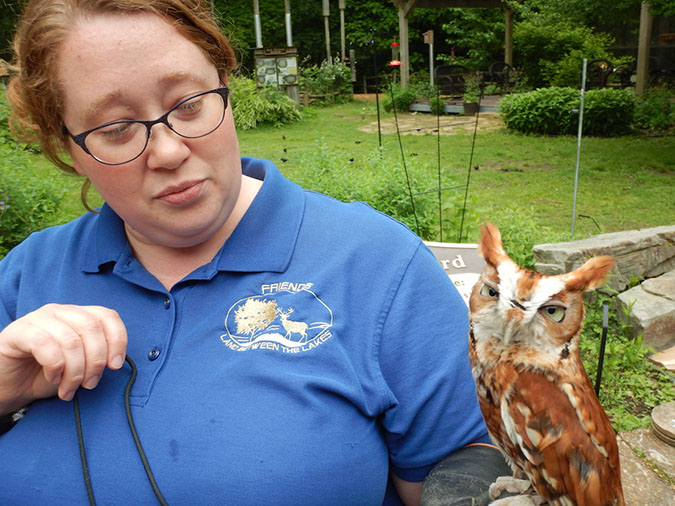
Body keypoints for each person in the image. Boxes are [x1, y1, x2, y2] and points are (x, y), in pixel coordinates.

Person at [0, 1, 501, 504]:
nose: (170, 151)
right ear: (68, 149)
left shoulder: (379, 265)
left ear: (225, 88)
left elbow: (465, 461)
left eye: (190, 103)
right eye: (115, 129)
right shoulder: (27, 275)